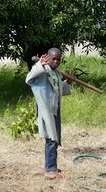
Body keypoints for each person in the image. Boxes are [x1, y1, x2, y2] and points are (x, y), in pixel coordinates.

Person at [25, 47, 72, 180]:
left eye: (58, 59)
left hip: (55, 109)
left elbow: (59, 88)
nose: (56, 61)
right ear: (48, 58)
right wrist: (39, 65)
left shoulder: (56, 73)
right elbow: (29, 78)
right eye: (54, 59)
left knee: (55, 138)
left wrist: (67, 82)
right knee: (51, 139)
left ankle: (52, 166)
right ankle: (50, 170)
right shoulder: (43, 72)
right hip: (46, 110)